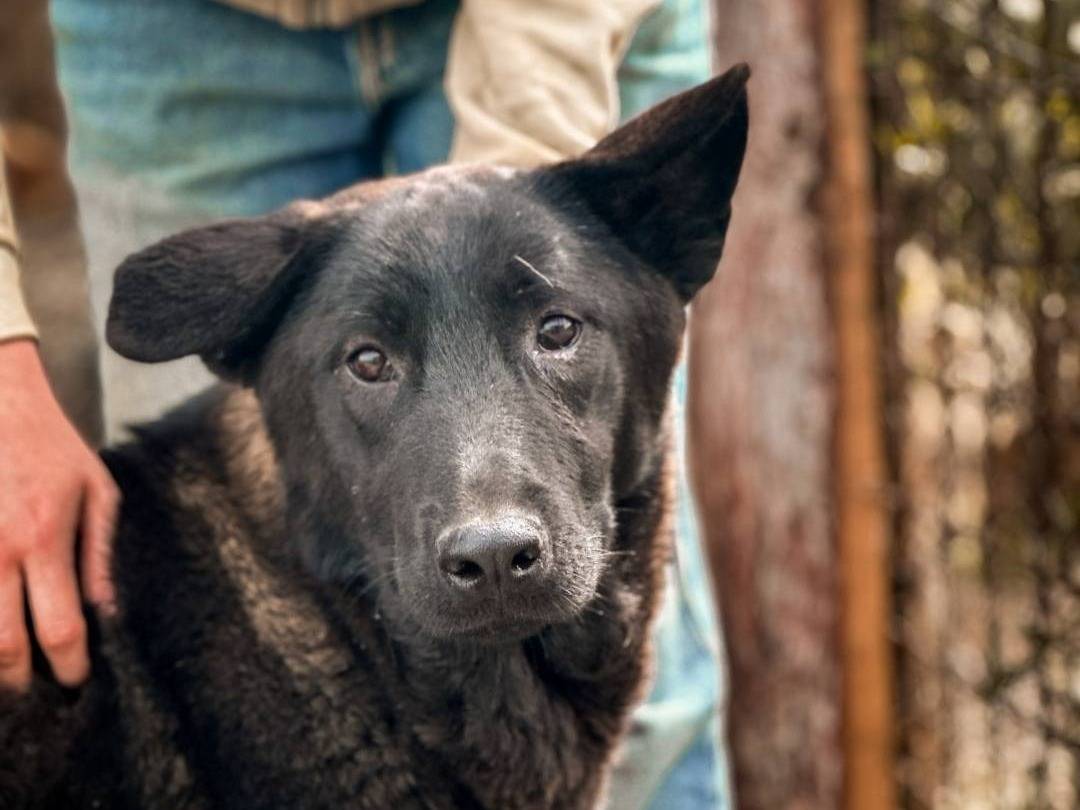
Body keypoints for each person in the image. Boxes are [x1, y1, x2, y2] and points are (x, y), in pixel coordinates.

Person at [0, 0, 729, 806]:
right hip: (174, 33)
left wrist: (515, 205)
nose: (489, 531)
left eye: (557, 330)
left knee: (652, 716)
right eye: (370, 362)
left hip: (550, 18)